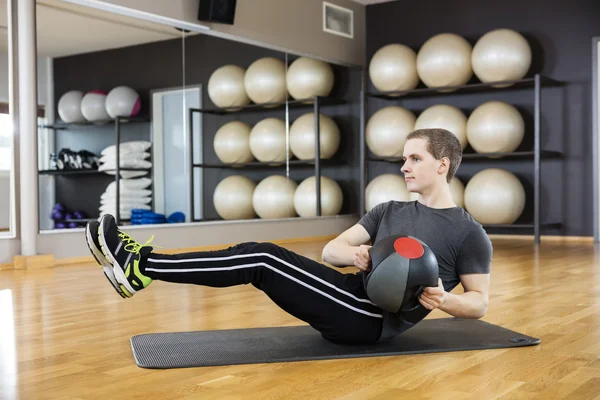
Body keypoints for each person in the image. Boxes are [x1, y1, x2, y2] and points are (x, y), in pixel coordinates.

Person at [85, 128, 492, 344]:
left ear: (442, 165)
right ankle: (139, 267)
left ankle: (141, 265)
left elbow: (479, 303)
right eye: (403, 158)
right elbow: (331, 249)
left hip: (371, 320)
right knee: (258, 254)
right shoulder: (389, 209)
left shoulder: (469, 233)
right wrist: (356, 255)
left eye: (414, 158)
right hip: (350, 289)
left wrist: (447, 300)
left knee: (262, 259)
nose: (404, 166)